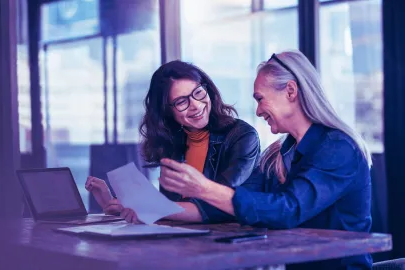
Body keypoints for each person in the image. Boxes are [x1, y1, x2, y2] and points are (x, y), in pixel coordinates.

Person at [158, 50, 373, 269]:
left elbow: (289, 210)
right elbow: (231, 205)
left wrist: (204, 188)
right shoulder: (276, 155)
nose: (258, 111)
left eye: (260, 99)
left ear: (290, 91)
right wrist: (154, 211)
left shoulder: (338, 148)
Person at [86, 60, 261, 223]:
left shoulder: (241, 136)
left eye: (198, 93)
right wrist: (113, 203)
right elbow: (169, 207)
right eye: (181, 102)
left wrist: (149, 208)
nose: (196, 105)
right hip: (183, 238)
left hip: (226, 241)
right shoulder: (172, 142)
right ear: (167, 111)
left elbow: (221, 203)